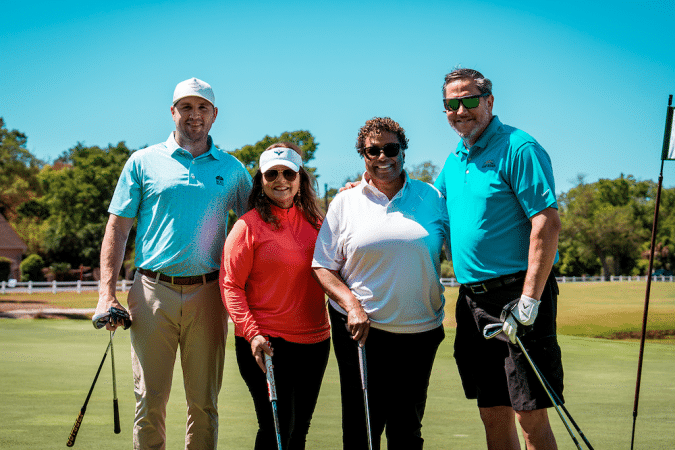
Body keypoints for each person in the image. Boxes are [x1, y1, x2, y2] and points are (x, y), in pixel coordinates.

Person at [94, 77, 252, 450]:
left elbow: (257, 229)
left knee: (204, 405)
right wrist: (106, 293)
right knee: (149, 402)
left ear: (214, 115)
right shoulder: (143, 162)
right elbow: (117, 228)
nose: (194, 115)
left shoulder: (233, 170)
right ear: (173, 112)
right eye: (186, 107)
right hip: (151, 293)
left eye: (202, 108)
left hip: (210, 295)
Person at [435, 68, 563, 450]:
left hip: (518, 297)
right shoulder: (454, 160)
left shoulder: (518, 147)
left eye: (469, 99)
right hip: (472, 302)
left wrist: (530, 300)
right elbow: (427, 204)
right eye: (450, 104)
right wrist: (368, 184)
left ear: (489, 101)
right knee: (492, 411)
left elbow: (547, 222)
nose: (460, 110)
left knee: (530, 416)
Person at [312, 117, 449, 450]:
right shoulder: (345, 202)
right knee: (362, 430)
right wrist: (352, 305)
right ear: (363, 155)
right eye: (373, 151)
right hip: (362, 332)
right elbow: (322, 266)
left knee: (406, 430)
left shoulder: (431, 197)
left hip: (420, 332)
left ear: (403, 151)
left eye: (391, 149)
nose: (383, 157)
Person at [220, 142, 331, 449]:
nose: (281, 180)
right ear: (261, 180)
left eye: (288, 173)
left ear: (300, 179)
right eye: (272, 174)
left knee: (299, 432)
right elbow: (230, 286)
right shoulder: (247, 227)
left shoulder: (319, 224)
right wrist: (252, 334)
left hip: (315, 343)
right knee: (276, 430)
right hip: (265, 342)